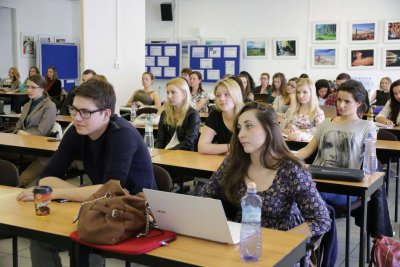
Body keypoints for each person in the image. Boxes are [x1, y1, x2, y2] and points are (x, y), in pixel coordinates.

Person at [17, 77, 156, 267]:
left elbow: (110, 191)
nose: (76, 117)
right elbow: (47, 177)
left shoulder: (122, 134)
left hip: (136, 212)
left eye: (85, 112)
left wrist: (56, 192)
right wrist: (90, 193)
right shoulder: (77, 130)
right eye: (74, 109)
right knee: (40, 238)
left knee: (85, 239)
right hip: (99, 206)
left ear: (106, 114)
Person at [202, 102, 331, 265]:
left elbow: (321, 219)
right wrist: (223, 228)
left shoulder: (290, 169)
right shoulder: (233, 162)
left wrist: (279, 241)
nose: (241, 134)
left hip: (282, 248)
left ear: (269, 129)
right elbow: (207, 195)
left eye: (249, 126)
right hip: (242, 245)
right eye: (240, 128)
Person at [296, 79, 377, 205]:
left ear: (359, 103)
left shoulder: (367, 127)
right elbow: (306, 151)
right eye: (339, 100)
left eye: (347, 101)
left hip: (345, 186)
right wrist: (284, 154)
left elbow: (370, 160)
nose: (341, 105)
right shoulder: (326, 123)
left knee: (310, 194)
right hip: (318, 178)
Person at [198, 78, 244, 155]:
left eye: (226, 94)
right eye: (218, 95)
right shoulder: (215, 114)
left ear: (236, 95)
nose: (221, 99)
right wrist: (230, 147)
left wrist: (218, 150)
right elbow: (202, 147)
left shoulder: (247, 114)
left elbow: (248, 149)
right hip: (222, 163)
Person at [155, 77, 200, 151]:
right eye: (168, 93)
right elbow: (160, 139)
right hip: (165, 153)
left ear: (184, 95)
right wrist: (157, 153)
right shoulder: (165, 114)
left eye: (173, 92)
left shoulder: (192, 115)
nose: (169, 96)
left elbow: (188, 143)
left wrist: (167, 152)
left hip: (184, 155)